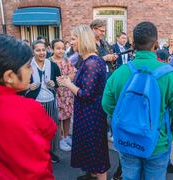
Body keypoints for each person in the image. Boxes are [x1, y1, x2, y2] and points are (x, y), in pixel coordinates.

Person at [102, 21, 173, 179]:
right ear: (156, 44)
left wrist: (123, 119)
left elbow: (106, 104)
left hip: (127, 140)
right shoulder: (170, 75)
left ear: (133, 44)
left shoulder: (121, 72)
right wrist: (168, 134)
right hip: (157, 142)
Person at [0, 33, 56, 179]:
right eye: (27, 67)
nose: (31, 71)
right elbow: (36, 168)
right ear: (9, 76)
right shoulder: (27, 109)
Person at [57, 25, 110, 180]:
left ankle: (98, 176)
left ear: (83, 39)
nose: (71, 42)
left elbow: (86, 94)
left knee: (97, 153)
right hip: (87, 113)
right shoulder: (87, 60)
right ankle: (92, 174)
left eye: (74, 38)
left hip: (91, 115)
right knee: (91, 150)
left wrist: (68, 84)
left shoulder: (92, 62)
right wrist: (70, 79)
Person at [25, 40, 61, 163]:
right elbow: (20, 85)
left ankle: (49, 152)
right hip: (34, 103)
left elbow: (58, 82)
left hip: (50, 101)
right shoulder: (27, 65)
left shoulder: (53, 65)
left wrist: (54, 84)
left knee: (50, 129)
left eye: (43, 50)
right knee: (35, 130)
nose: (41, 53)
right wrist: (28, 86)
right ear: (33, 51)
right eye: (38, 50)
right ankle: (36, 154)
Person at [50, 39, 75, 152]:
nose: (61, 51)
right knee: (59, 117)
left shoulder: (67, 60)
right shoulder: (49, 62)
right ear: (52, 49)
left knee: (68, 115)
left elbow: (73, 73)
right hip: (57, 93)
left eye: (63, 48)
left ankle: (66, 136)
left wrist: (66, 79)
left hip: (67, 92)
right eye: (58, 48)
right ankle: (60, 139)